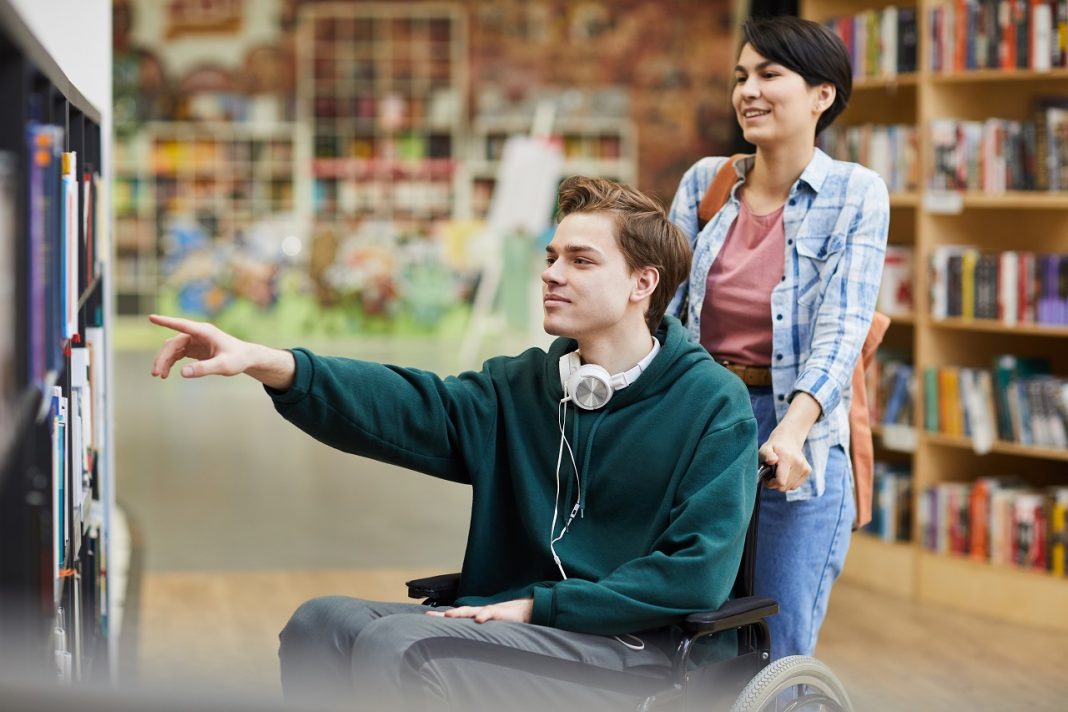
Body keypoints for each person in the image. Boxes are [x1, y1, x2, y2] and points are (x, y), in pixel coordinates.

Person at [149, 176, 759, 710]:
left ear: (642, 283)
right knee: (320, 624)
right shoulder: (523, 386)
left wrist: (538, 607)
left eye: (580, 261)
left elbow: (695, 574)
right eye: (552, 257)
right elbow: (411, 405)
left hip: (632, 651)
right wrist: (270, 362)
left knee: (403, 648)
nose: (551, 273)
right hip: (517, 629)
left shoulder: (711, 404)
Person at [668, 16, 889, 661]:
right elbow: (663, 313)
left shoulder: (855, 193)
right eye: (741, 77)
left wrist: (791, 432)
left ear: (822, 94)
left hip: (801, 428)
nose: (748, 90)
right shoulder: (705, 183)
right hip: (703, 421)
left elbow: (843, 328)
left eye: (769, 74)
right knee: (690, 631)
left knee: (778, 641)